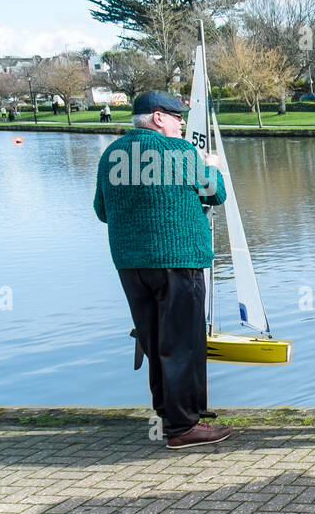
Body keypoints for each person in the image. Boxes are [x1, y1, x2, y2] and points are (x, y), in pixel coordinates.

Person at [93, 91, 231, 450]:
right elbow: (216, 194)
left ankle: (171, 413)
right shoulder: (180, 152)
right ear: (157, 118)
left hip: (130, 265)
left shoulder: (111, 155)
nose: (181, 122)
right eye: (176, 116)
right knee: (183, 341)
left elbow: (101, 210)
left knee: (153, 340)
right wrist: (209, 164)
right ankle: (184, 428)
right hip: (177, 261)